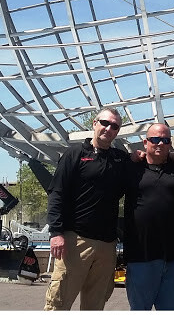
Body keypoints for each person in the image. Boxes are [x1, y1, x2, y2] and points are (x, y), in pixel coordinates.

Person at [44, 107, 129, 311]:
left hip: (107, 245)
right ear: (94, 123)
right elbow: (57, 192)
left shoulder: (120, 159)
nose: (109, 128)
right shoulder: (75, 154)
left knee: (95, 306)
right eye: (105, 123)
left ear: (117, 131)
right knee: (59, 302)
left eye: (114, 126)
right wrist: (56, 232)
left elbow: (146, 163)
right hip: (76, 240)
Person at [123, 123, 174, 310]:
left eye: (165, 140)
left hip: (172, 259)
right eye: (155, 139)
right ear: (145, 142)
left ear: (171, 144)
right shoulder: (130, 168)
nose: (160, 143)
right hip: (140, 257)